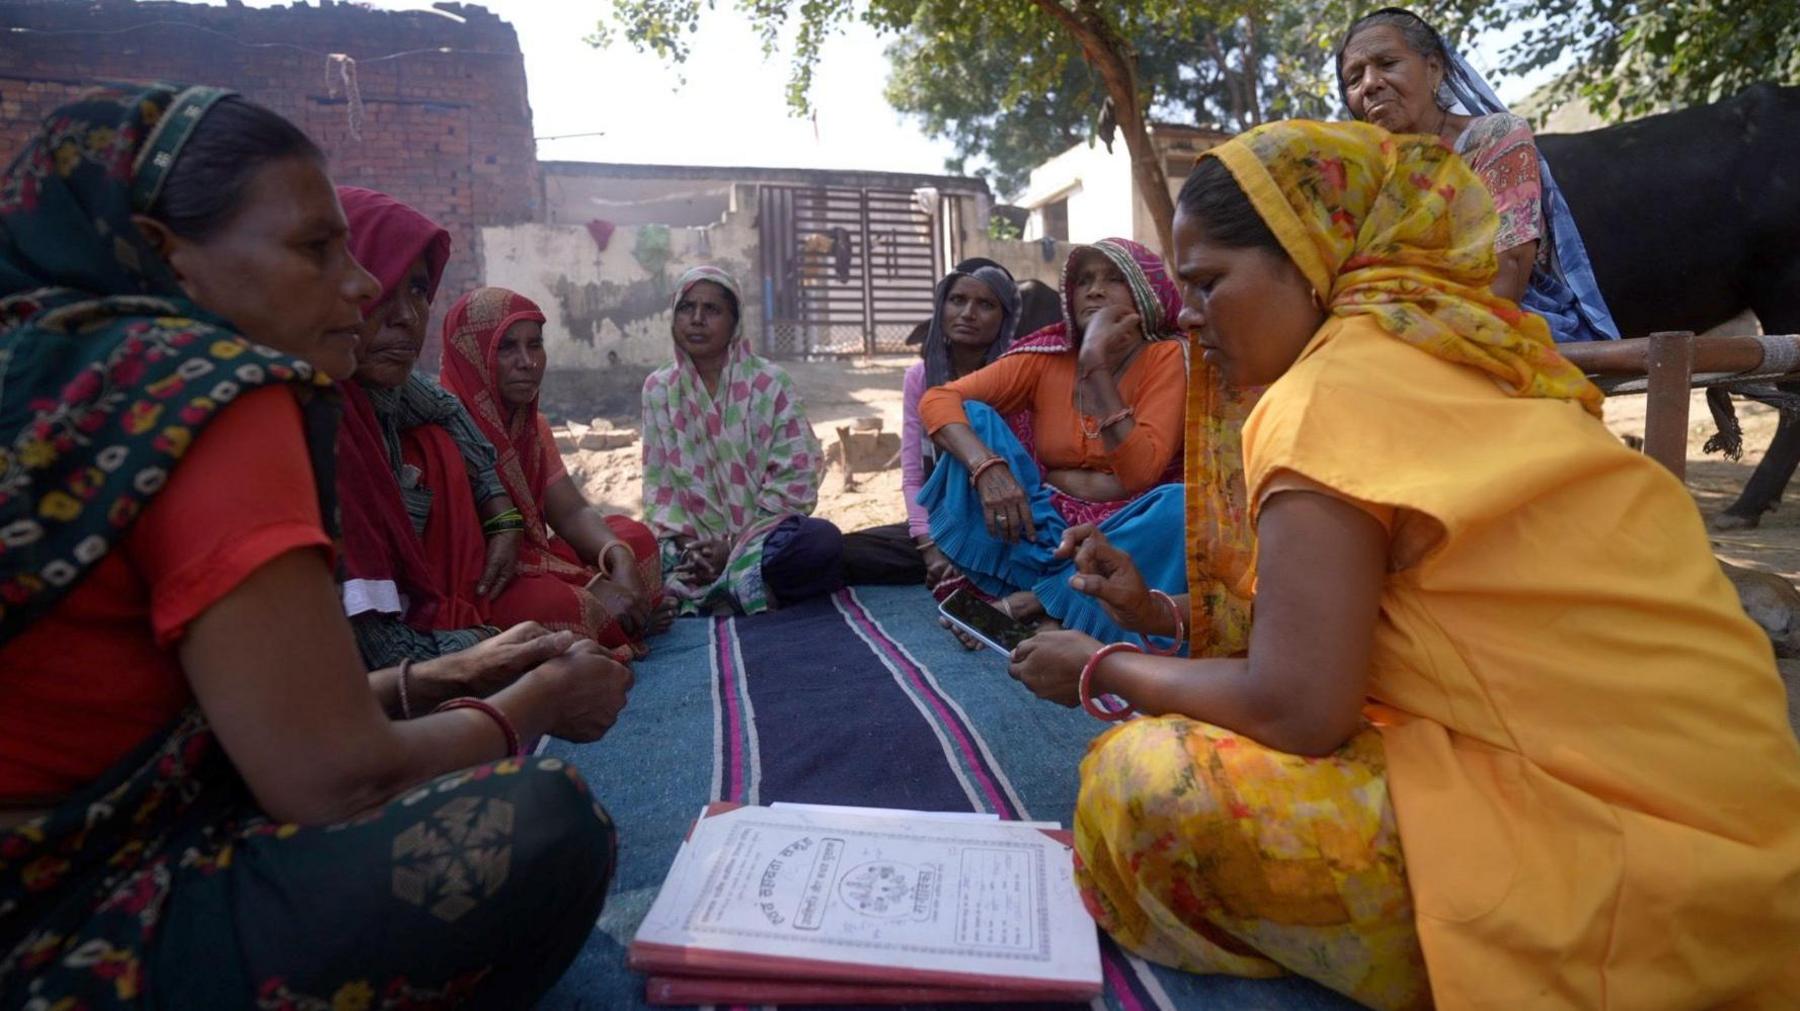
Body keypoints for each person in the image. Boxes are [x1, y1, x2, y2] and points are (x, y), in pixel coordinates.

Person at [1005, 119, 1800, 1008]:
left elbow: (1300, 706)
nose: (1186, 316)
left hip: (1634, 873)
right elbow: (1387, 621)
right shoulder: (1474, 355)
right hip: (1748, 836)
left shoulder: (1327, 398)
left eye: (1207, 283)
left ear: (1312, 264)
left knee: (1137, 782)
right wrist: (1165, 616)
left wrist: (1105, 666)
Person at [0, 84, 633, 1007]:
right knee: (549, 821)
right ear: (167, 254)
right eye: (314, 249)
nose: (368, 288)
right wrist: (534, 700)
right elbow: (332, 778)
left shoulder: (46, 378)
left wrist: (448, 675)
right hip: (74, 928)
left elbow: (227, 715)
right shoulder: (215, 395)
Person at [916, 238, 1189, 646]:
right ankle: (1062, 601)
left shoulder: (1168, 357)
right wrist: (987, 468)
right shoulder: (1047, 357)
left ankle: (1034, 603)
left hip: (1124, 536)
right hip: (1038, 529)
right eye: (1084, 280)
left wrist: (1094, 363)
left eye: (1113, 279)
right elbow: (938, 399)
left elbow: (1139, 475)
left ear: (1145, 295)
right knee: (972, 419)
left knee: (1179, 507)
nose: (1094, 290)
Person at [1337, 6, 1620, 344]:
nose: (1369, 84)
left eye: (1387, 64)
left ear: (1433, 69)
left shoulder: (1494, 138)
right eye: (1354, 79)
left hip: (1501, 323)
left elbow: (1508, 274)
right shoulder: (1366, 173)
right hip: (1399, 327)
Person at [333, 186, 519, 669]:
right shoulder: (326, 422)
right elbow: (382, 658)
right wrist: (493, 646)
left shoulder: (381, 387)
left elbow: (448, 409)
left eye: (418, 289)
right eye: (381, 285)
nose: (408, 317)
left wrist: (501, 512)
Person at [440, 286, 668, 654]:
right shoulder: (443, 432)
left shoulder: (534, 426)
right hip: (487, 585)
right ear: (471, 354)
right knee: (557, 608)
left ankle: (617, 620)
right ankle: (623, 619)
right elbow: (471, 565)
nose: (527, 361)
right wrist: (590, 588)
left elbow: (572, 511)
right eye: (506, 347)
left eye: (535, 345)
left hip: (541, 559)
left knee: (636, 538)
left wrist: (617, 555)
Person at [641, 266, 842, 614]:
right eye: (687, 308)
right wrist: (694, 547)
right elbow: (660, 486)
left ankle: (732, 582)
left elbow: (796, 478)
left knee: (820, 541)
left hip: (762, 539)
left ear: (735, 323)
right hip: (691, 547)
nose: (697, 319)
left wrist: (735, 544)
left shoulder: (769, 383)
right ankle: (738, 586)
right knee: (630, 545)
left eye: (712, 310)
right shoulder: (659, 389)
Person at [841, 258, 1022, 587]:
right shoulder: (921, 377)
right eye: (957, 300)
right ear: (941, 307)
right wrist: (930, 550)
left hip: (1008, 522)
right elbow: (914, 474)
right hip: (942, 523)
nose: (968, 313)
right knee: (839, 551)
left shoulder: (1020, 371)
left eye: (985, 304)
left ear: (1006, 317)